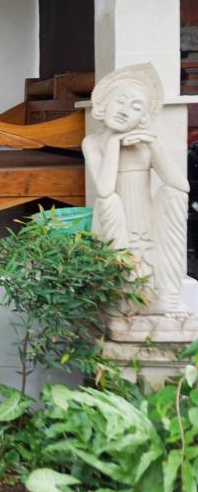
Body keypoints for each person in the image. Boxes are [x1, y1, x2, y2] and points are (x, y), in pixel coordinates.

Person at [82, 63, 189, 316]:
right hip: (114, 219)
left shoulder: (146, 144)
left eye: (135, 107)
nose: (125, 111)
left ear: (143, 118)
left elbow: (180, 185)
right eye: (120, 101)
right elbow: (105, 190)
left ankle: (166, 292)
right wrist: (115, 144)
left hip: (145, 216)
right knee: (110, 203)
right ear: (102, 105)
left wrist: (153, 144)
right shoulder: (94, 142)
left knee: (173, 196)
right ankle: (121, 297)